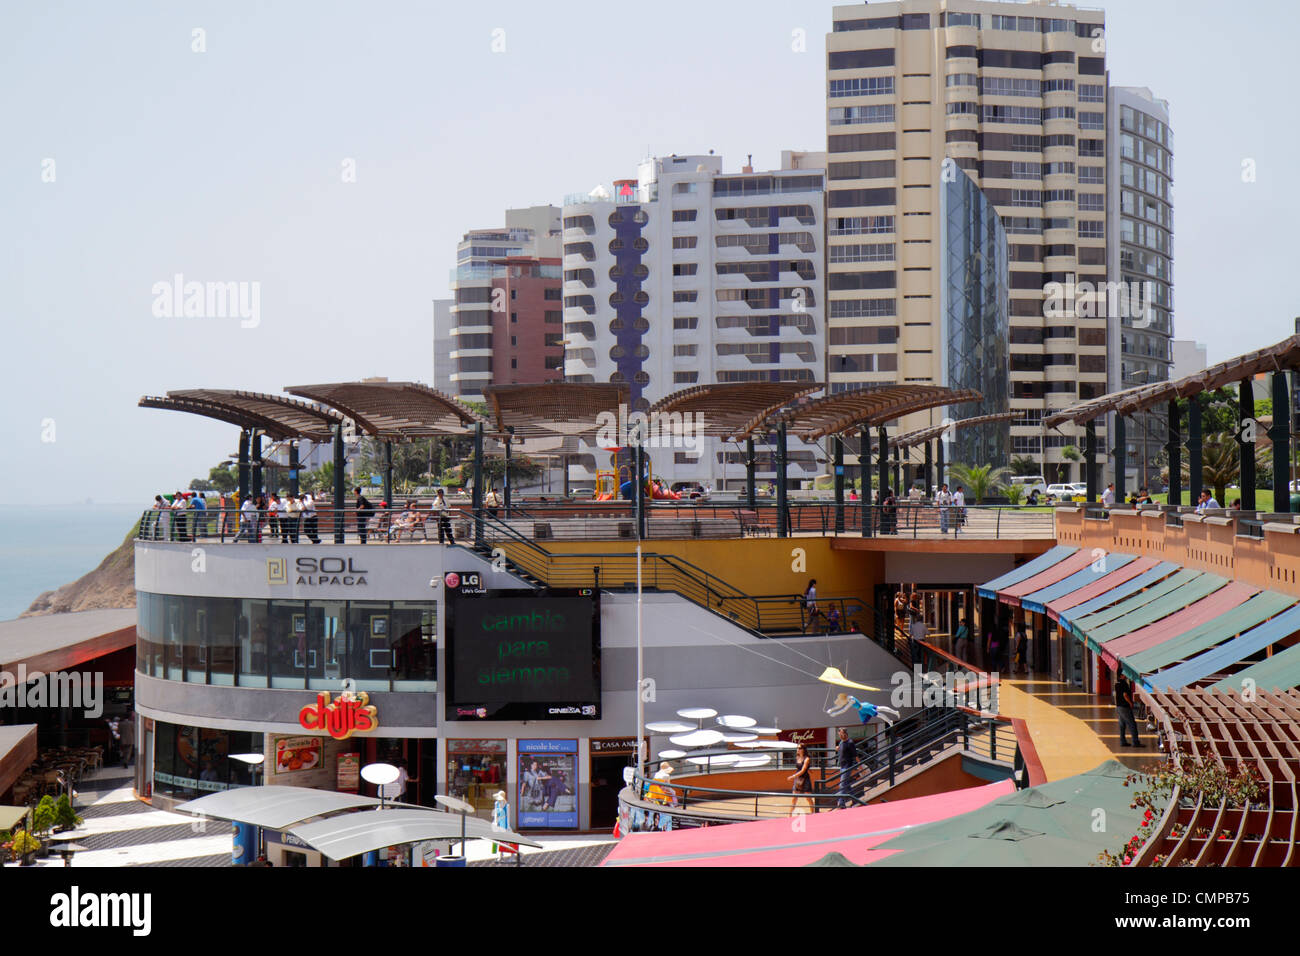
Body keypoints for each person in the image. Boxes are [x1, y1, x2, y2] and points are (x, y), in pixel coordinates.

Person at [1114, 672, 1141, 747]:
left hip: (1119, 707)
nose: (1126, 675)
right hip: (1124, 707)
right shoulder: (1124, 684)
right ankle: (1135, 742)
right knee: (1132, 724)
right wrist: (1130, 703)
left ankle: (1122, 741)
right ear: (1121, 675)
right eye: (1124, 674)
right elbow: (1125, 695)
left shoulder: (1117, 683)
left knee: (1122, 725)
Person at [787, 744, 814, 816]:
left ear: (803, 749)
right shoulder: (797, 757)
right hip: (798, 778)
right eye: (797, 748)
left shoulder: (807, 758)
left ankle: (813, 813)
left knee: (808, 798)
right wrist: (795, 776)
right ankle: (790, 815)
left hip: (805, 778)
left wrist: (793, 776)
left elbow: (803, 770)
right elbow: (799, 768)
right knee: (794, 798)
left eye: (799, 748)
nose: (797, 750)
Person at [835, 727, 857, 809]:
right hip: (842, 766)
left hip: (847, 766)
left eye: (841, 734)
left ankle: (841, 803)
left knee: (842, 784)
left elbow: (855, 755)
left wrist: (860, 766)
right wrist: (838, 748)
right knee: (847, 785)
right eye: (839, 734)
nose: (840, 736)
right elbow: (842, 751)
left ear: (845, 734)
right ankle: (855, 799)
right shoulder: (841, 742)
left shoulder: (850, 742)